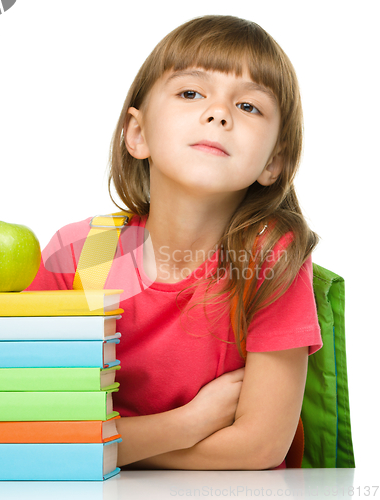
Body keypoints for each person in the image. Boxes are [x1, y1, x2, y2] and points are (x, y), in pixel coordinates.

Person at [27, 15, 323, 470]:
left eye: (249, 107)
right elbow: (34, 427)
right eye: (190, 93)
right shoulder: (80, 251)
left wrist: (102, 445)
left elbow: (260, 448)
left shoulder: (271, 259)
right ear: (138, 133)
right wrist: (188, 423)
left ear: (273, 162)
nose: (219, 112)